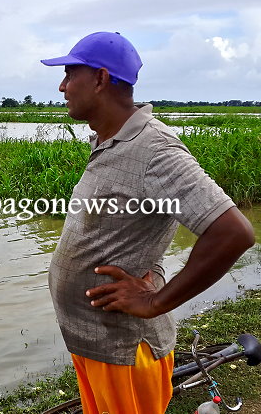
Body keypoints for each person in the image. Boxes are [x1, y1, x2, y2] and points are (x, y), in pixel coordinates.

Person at [40, 32, 255, 414]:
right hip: (93, 343)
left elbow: (233, 233)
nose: (62, 86)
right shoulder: (111, 141)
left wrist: (156, 300)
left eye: (70, 74)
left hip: (123, 348)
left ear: (101, 79)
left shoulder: (154, 150)